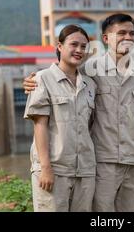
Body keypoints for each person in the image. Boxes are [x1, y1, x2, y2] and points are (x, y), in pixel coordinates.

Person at [24, 13, 134, 212]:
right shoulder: (90, 70)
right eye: (122, 33)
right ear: (106, 39)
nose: (128, 38)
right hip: (102, 160)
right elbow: (62, 75)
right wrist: (33, 80)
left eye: (132, 33)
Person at [24, 24, 97, 212]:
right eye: (74, 44)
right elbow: (40, 125)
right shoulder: (42, 79)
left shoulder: (90, 85)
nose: (79, 50)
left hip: (84, 172)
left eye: (83, 46)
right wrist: (46, 167)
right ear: (60, 46)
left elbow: (88, 127)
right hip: (55, 171)